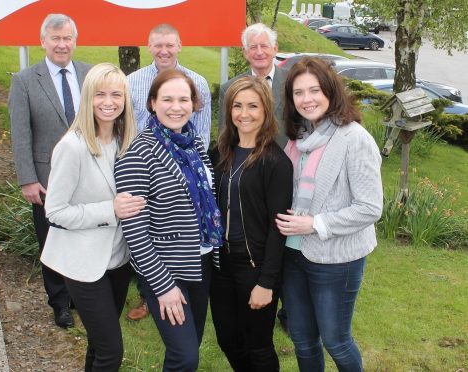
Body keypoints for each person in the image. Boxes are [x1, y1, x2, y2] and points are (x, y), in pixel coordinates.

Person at [275, 57, 383, 371]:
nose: (306, 99)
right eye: (298, 93)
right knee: (303, 339)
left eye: (314, 90)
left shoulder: (354, 139)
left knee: (336, 340)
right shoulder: (298, 137)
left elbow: (370, 207)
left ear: (331, 91)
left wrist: (315, 224)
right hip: (293, 255)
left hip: (336, 261)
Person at [115, 70, 223, 372]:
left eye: (183, 99)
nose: (176, 107)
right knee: (185, 355)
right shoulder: (138, 152)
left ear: (193, 104)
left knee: (190, 347)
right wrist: (162, 287)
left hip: (200, 262)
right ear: (152, 103)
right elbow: (134, 231)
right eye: (167, 99)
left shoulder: (195, 145)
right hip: (164, 269)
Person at [40, 63, 146, 371]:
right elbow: (55, 212)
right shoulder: (72, 147)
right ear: (88, 97)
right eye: (100, 94)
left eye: (116, 94)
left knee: (98, 346)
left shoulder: (126, 142)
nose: (108, 101)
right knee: (111, 352)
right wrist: (109, 209)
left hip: (117, 261)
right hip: (84, 265)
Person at [8, 13, 92, 329]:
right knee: (52, 240)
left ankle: (81, 295)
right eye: (55, 38)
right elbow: (21, 133)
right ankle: (60, 303)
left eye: (67, 38)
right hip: (46, 178)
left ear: (75, 40)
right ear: (43, 41)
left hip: (87, 174)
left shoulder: (88, 74)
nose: (61, 44)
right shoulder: (25, 80)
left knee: (83, 235)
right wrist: (27, 179)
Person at [125, 23, 212, 321]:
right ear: (149, 46)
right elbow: (126, 133)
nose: (164, 50)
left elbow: (202, 135)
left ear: (180, 46)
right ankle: (150, 293)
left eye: (170, 45)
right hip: (147, 170)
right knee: (148, 231)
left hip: (188, 175)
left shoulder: (197, 83)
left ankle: (178, 291)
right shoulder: (132, 82)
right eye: (158, 45)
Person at [209, 76, 293, 372]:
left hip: (254, 266)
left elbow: (278, 228)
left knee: (258, 344)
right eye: (237, 106)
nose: (244, 114)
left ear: (266, 111)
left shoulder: (276, 162)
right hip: (220, 266)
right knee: (228, 339)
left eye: (253, 106)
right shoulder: (218, 151)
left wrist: (266, 282)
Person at [218, 23, 288, 148]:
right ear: (245, 52)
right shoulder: (229, 88)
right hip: (246, 163)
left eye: (264, 46)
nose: (259, 52)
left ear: (275, 49)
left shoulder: (291, 83)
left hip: (288, 160)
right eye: (253, 47)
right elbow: (225, 136)